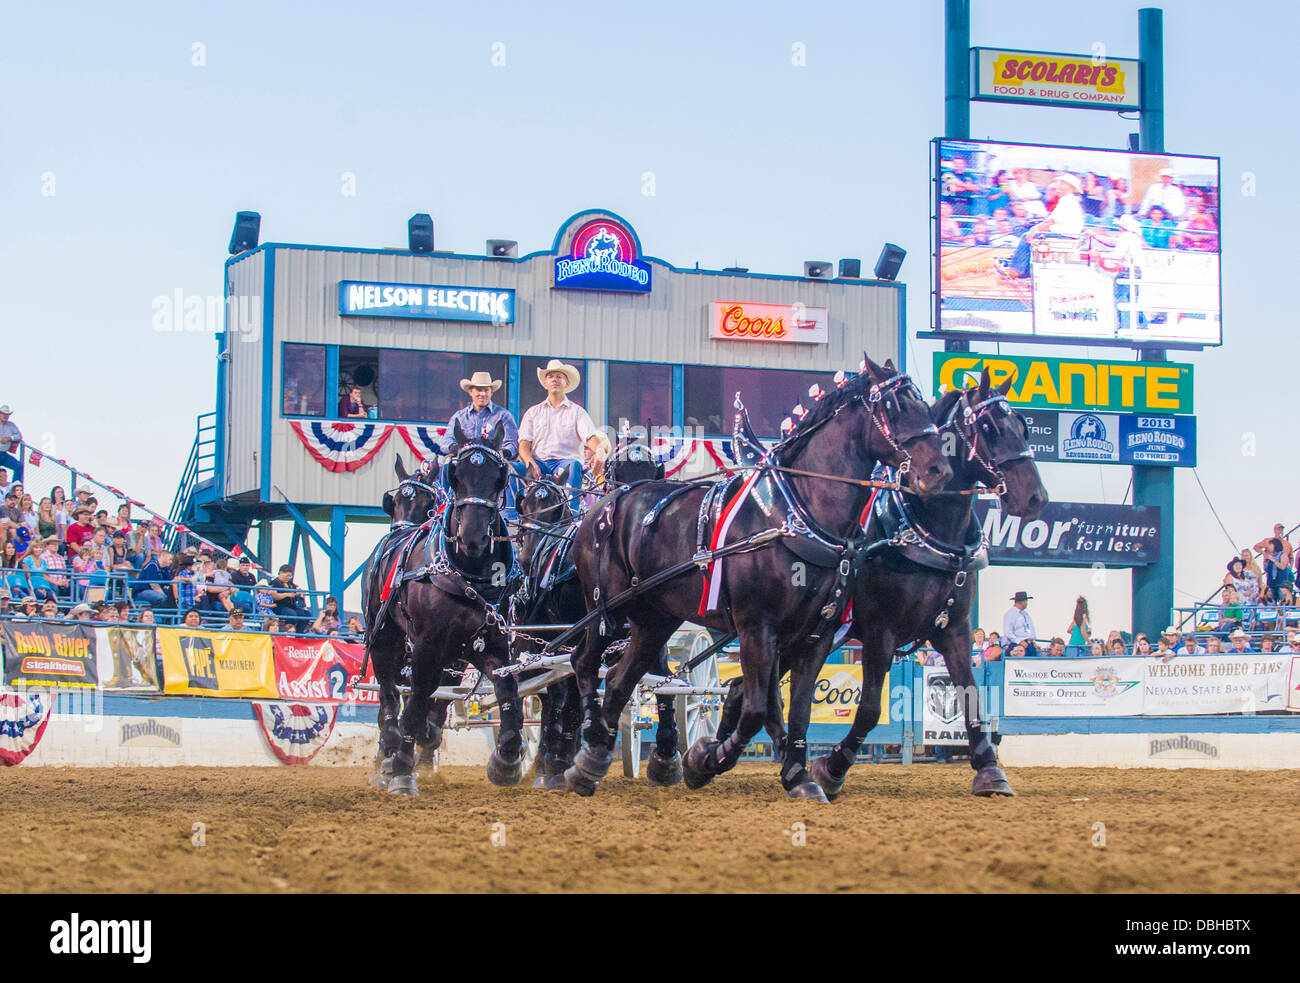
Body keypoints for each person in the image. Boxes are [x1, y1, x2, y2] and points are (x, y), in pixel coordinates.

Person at [517, 359, 604, 506]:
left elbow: (590, 437)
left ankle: (572, 510)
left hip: (565, 463)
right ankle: (512, 515)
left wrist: (600, 451)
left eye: (559, 376)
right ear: (545, 383)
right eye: (550, 377)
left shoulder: (577, 412)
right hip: (539, 463)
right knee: (512, 469)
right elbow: (524, 444)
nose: (554, 380)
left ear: (567, 383)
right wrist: (529, 462)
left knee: (573, 466)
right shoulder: (533, 412)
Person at [996, 173, 1086, 279]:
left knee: (1026, 237)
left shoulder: (1067, 201)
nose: (1058, 185)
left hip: (1064, 236)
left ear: (1070, 187)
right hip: (1064, 235)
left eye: (1062, 183)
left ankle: (1015, 270)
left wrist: (1034, 230)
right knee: (1031, 238)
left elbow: (1050, 222)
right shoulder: (1068, 201)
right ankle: (1023, 270)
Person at [269, 564, 308, 632]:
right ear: (281, 573)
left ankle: (298, 634)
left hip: (292, 606)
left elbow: (294, 594)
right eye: (287, 575)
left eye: (290, 576)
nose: (288, 577)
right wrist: (286, 594)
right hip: (278, 607)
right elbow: (274, 596)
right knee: (291, 614)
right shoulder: (274, 583)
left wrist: (299, 594)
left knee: (306, 614)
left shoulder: (291, 584)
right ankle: (287, 632)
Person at [1001, 590, 1039, 656]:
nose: (1027, 603)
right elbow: (1008, 632)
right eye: (1026, 601)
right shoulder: (1010, 614)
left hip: (1029, 644)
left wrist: (1032, 641)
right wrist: (1019, 641)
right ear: (1022, 602)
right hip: (1017, 644)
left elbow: (1029, 628)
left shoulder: (1025, 614)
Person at [0, 405, 23, 483]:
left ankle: (15, 487)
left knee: (19, 466)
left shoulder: (11, 425)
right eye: (3, 413)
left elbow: (19, 436)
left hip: (3, 453)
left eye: (7, 414)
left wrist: (9, 438)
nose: (5, 416)